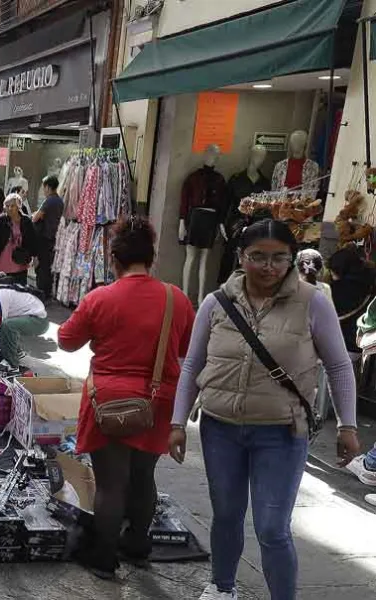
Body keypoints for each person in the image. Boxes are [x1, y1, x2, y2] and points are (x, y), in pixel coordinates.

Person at [169, 219, 359, 600]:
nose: (269, 266)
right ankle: (222, 586)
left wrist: (348, 425)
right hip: (220, 427)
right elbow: (192, 364)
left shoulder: (312, 302)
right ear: (241, 257)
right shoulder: (216, 301)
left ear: (292, 259)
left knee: (273, 528)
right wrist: (177, 421)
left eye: (279, 258)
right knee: (225, 515)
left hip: (282, 433)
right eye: (258, 257)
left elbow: (339, 367)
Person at [57, 216, 196, 580]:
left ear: (114, 259)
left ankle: (104, 556)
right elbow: (186, 347)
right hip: (159, 399)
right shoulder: (175, 298)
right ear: (151, 258)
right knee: (144, 477)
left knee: (111, 483)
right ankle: (137, 545)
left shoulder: (100, 298)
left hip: (110, 402)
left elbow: (66, 341)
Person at [0, 193, 36, 285]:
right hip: (2, 257)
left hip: (20, 259)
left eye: (12, 206)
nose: (9, 208)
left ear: (18, 206)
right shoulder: (0, 220)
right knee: (1, 284)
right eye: (7, 206)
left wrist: (32, 255)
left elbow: (32, 240)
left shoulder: (26, 221)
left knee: (19, 286)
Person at [32, 175, 64, 300]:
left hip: (44, 237)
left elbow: (36, 218)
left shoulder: (49, 200)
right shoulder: (60, 201)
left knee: (42, 266)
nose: (43, 190)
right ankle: (48, 291)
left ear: (48, 187)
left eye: (44, 187)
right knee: (48, 265)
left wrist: (34, 215)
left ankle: (42, 292)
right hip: (53, 236)